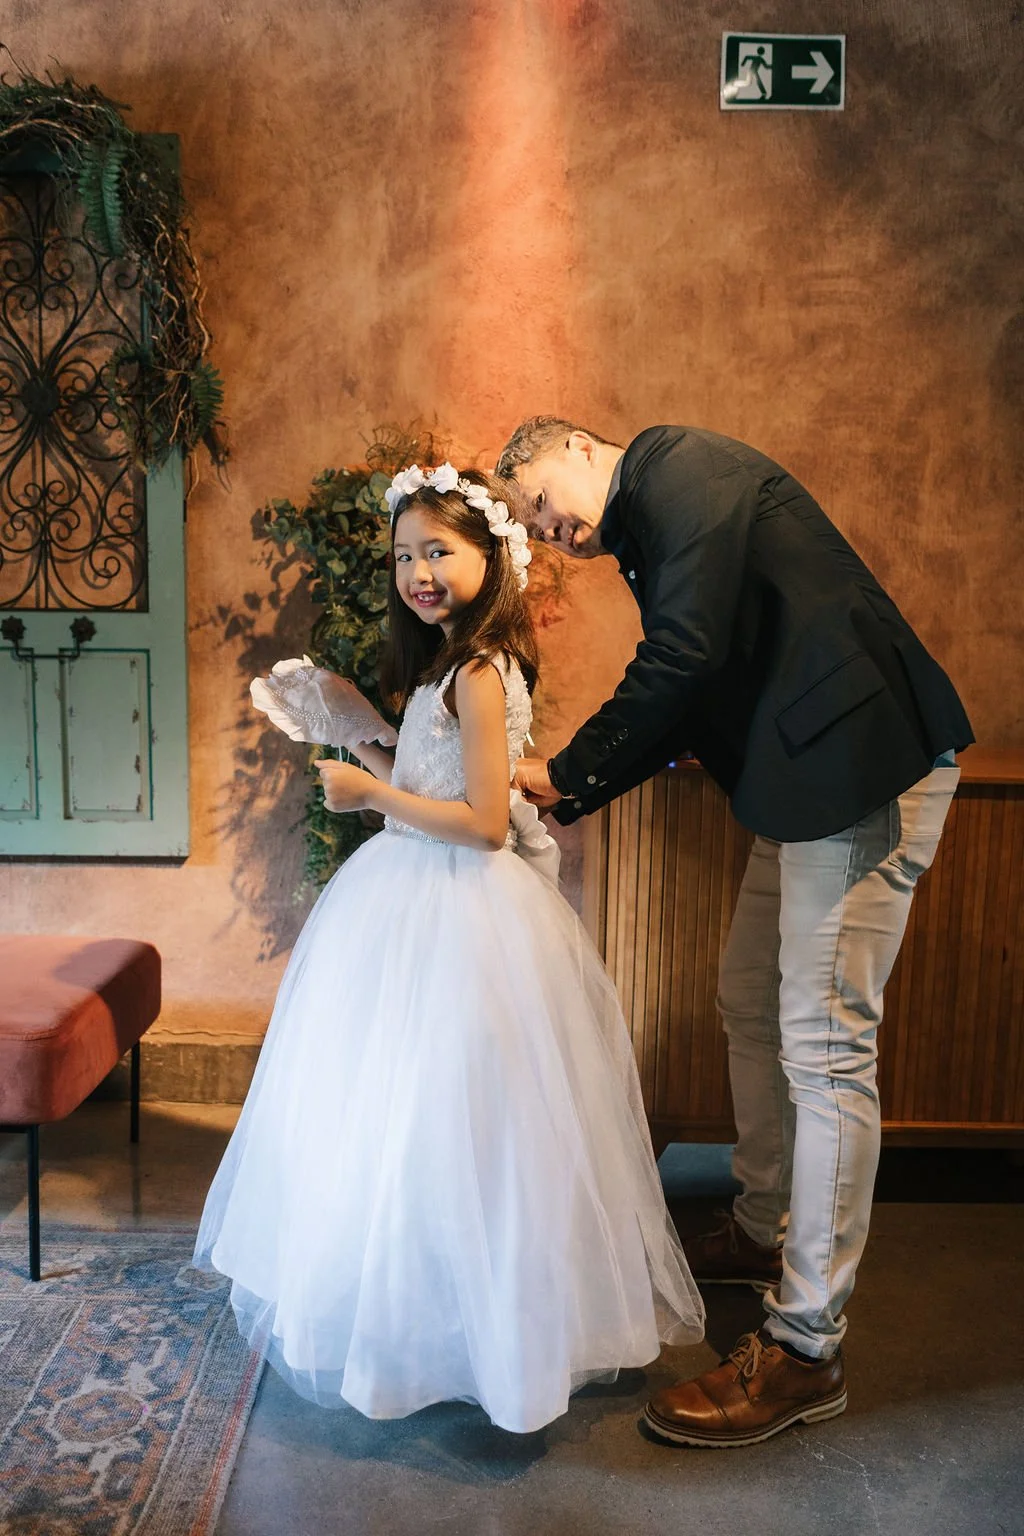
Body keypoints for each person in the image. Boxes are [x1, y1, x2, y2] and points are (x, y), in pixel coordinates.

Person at [193, 463, 704, 1436]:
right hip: (404, 901)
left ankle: (478, 1339)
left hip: (465, 907)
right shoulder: (441, 668)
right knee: (394, 1117)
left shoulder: (479, 671)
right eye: (403, 555)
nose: (418, 570)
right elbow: (429, 770)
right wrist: (361, 731)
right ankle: (409, 1320)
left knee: (460, 1122)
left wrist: (369, 795)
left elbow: (478, 822)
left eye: (438, 550)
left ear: (488, 560)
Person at [498, 417, 973, 1448]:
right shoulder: (652, 528)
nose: (550, 533)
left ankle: (806, 1345)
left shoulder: (677, 469)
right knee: (746, 998)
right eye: (534, 527)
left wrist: (568, 767)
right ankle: (764, 1231)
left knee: (826, 1048)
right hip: (803, 783)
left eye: (543, 501)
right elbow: (692, 684)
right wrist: (567, 784)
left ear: (584, 447)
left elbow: (684, 654)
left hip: (865, 769)